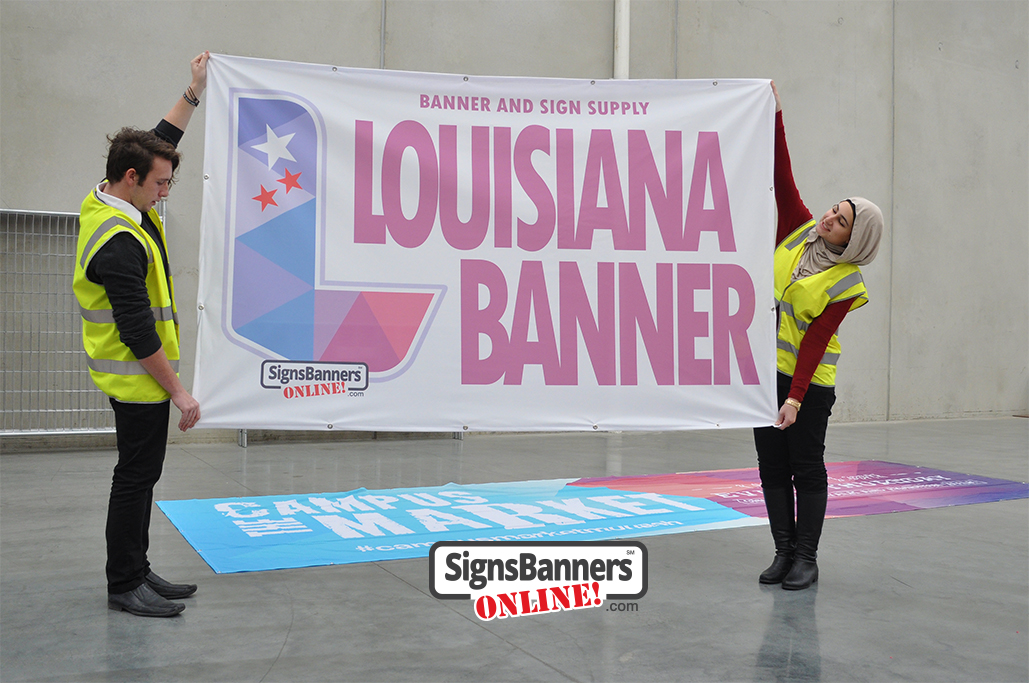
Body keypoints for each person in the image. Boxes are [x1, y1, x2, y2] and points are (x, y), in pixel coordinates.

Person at [73, 51, 210, 617]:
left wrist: (194, 90)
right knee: (134, 479)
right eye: (160, 183)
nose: (165, 191)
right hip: (137, 383)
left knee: (141, 476)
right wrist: (178, 390)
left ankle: (137, 568)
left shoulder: (110, 194)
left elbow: (159, 139)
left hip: (137, 381)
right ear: (131, 178)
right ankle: (124, 582)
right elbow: (136, 331)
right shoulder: (120, 240)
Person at [753, 81, 884, 590]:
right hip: (766, 374)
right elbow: (779, 173)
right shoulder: (797, 229)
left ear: (855, 240)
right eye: (835, 208)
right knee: (769, 468)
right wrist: (774, 112)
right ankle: (782, 551)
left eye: (841, 222)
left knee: (805, 468)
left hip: (809, 383)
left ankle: (806, 557)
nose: (829, 217)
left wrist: (796, 397)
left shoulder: (847, 281)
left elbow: (815, 340)